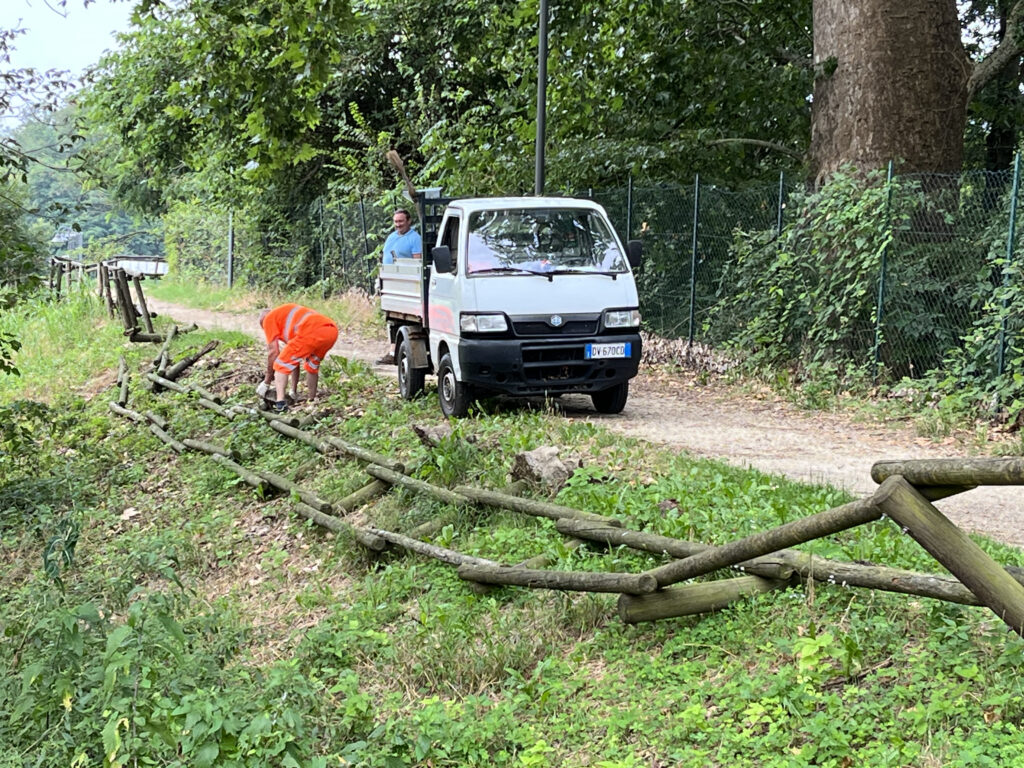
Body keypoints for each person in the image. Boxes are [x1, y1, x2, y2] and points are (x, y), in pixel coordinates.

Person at [256, 303, 338, 411]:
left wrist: (266, 382)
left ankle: (280, 404)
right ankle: (312, 400)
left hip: (310, 332)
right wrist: (293, 391)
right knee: (312, 365)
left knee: (280, 364)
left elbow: (273, 353)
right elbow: (294, 360)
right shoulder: (283, 316)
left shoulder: (268, 320)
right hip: (331, 331)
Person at [377, 208, 423, 363]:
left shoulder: (415, 238)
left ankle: (396, 352)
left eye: (401, 221)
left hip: (406, 286)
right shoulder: (391, 237)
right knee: (392, 319)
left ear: (408, 221)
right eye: (396, 221)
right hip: (390, 284)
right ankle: (392, 352)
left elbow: (417, 262)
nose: (398, 225)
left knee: (402, 319)